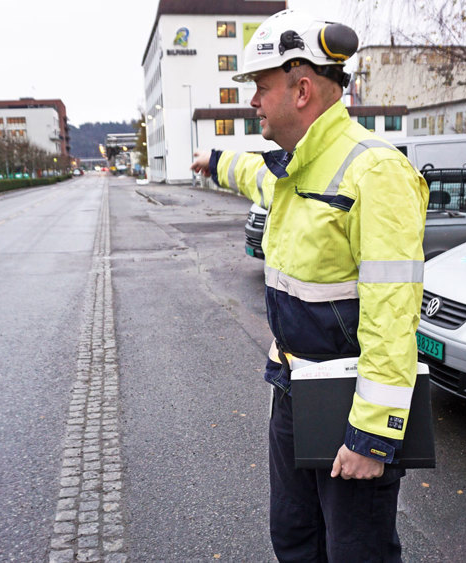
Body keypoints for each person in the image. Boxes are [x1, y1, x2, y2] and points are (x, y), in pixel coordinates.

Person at [191, 9, 428, 561]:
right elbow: (253, 174)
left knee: (355, 552)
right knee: (295, 538)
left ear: (302, 89)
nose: (253, 101)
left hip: (349, 406)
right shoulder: (295, 166)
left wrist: (374, 435)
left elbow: (393, 317)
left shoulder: (375, 172)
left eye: (261, 87)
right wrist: (216, 159)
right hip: (294, 391)